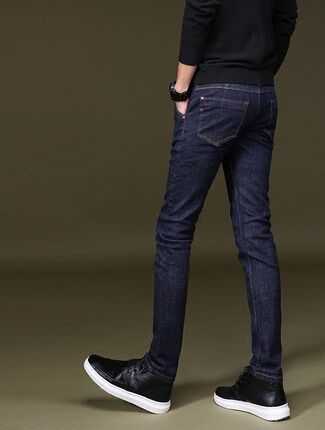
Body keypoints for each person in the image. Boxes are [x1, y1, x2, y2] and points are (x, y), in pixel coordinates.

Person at [83, 0, 298, 421]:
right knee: (256, 233)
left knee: (175, 230)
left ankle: (157, 375)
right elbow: (286, 17)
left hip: (215, 93)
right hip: (261, 96)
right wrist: (258, 74)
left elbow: (201, 8)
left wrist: (181, 88)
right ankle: (267, 381)